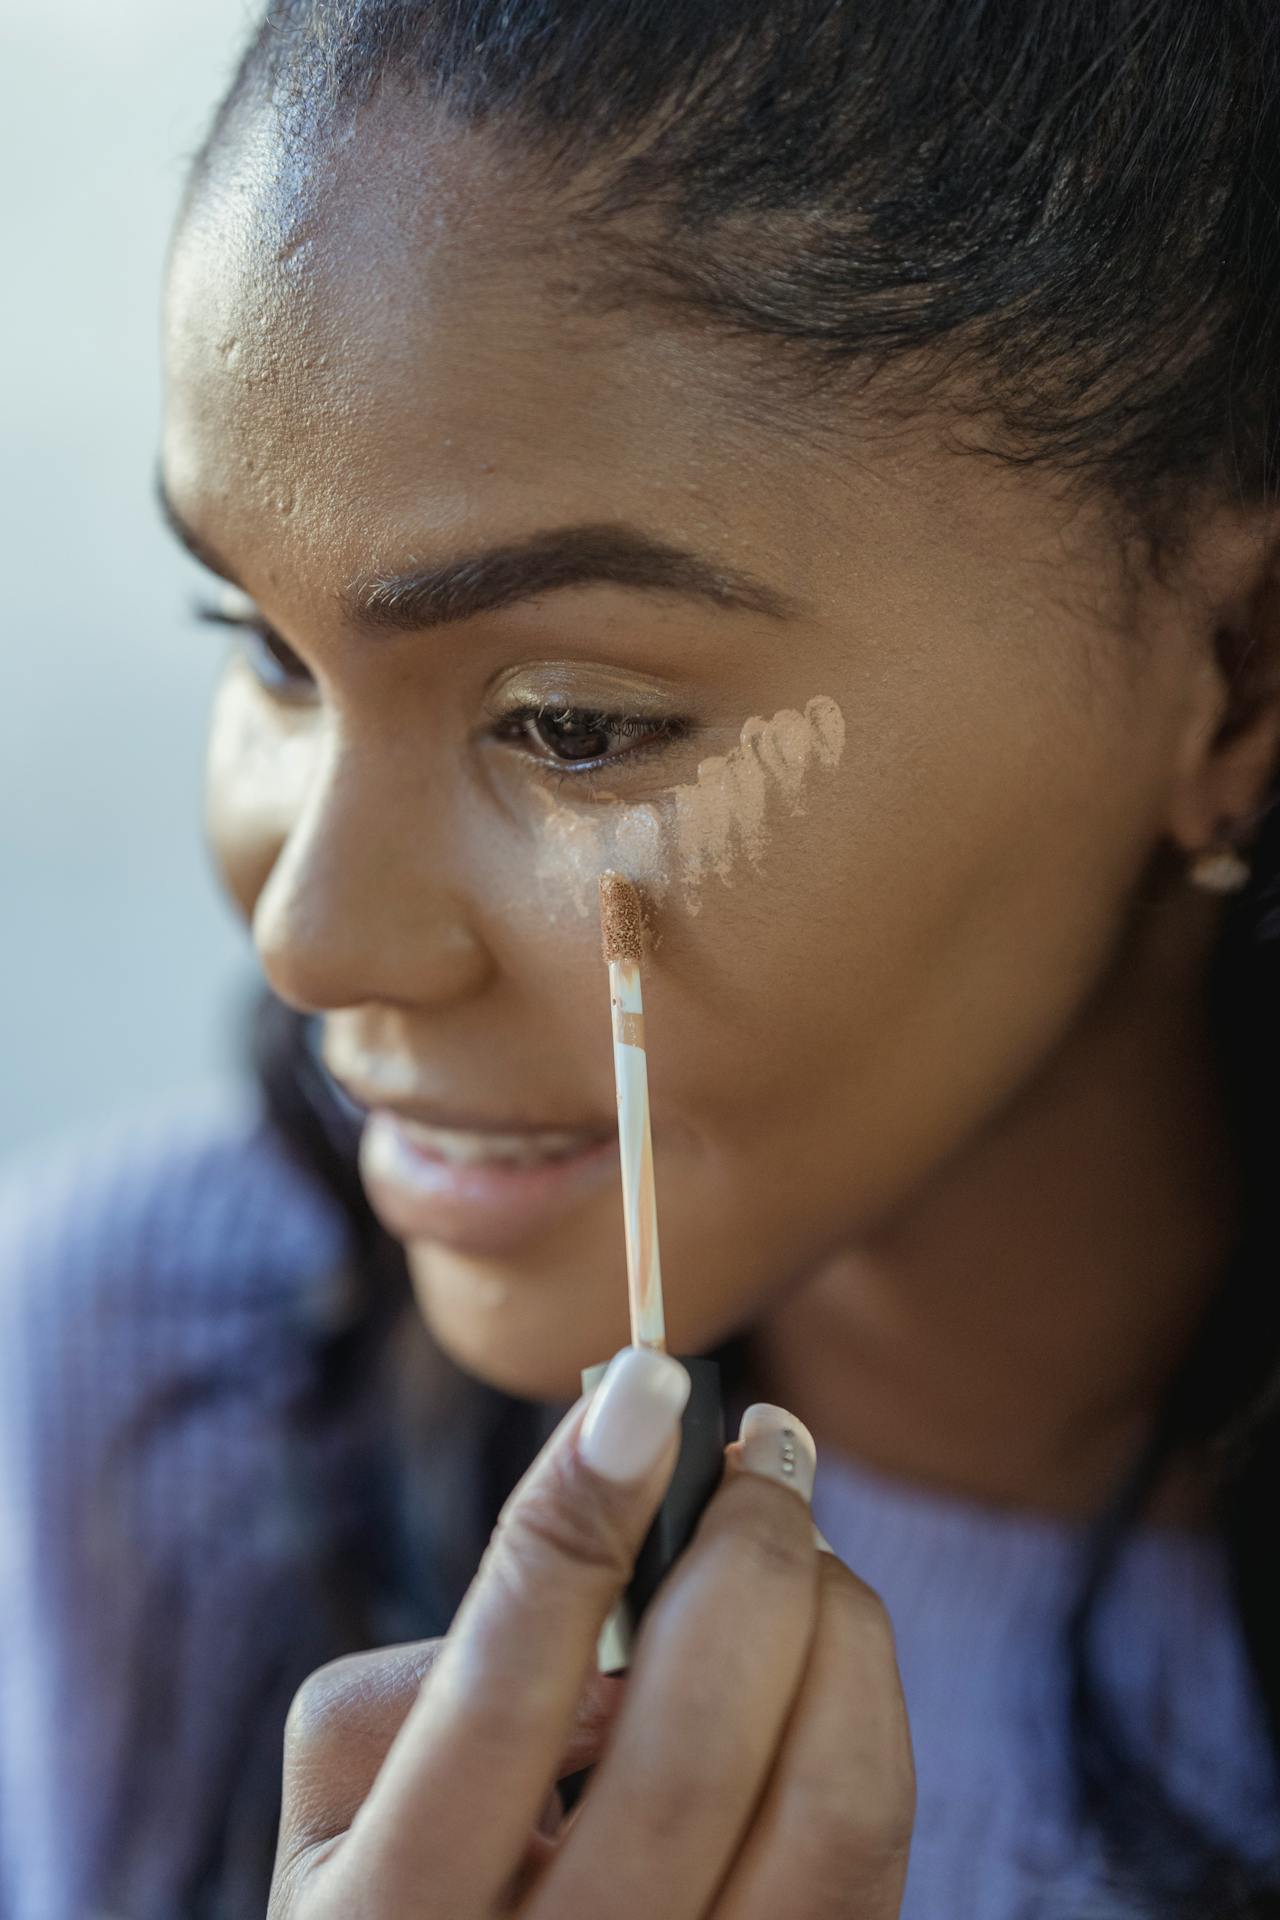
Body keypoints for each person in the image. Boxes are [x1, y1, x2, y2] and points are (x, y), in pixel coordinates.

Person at [4, 0, 1280, 1914]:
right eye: (263, 645)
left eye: (577, 725)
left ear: (1239, 676)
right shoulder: (145, 1382)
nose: (307, 932)